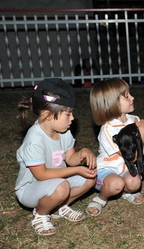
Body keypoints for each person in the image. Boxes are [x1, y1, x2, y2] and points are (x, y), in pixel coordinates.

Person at [15, 78, 98, 236]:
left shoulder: (64, 132)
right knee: (62, 187)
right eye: (67, 114)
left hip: (57, 183)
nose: (72, 118)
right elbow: (42, 174)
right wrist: (77, 170)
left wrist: (83, 153)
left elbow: (70, 158)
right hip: (30, 189)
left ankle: (58, 208)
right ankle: (40, 214)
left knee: (91, 178)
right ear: (48, 115)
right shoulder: (34, 139)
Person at [87, 78, 144, 216]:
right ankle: (101, 199)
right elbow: (132, 157)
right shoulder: (108, 129)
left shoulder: (134, 119)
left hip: (124, 169)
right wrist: (140, 130)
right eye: (126, 96)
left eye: (130, 94)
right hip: (106, 170)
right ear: (111, 103)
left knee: (135, 183)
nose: (132, 97)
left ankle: (125, 192)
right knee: (115, 184)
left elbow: (143, 151)